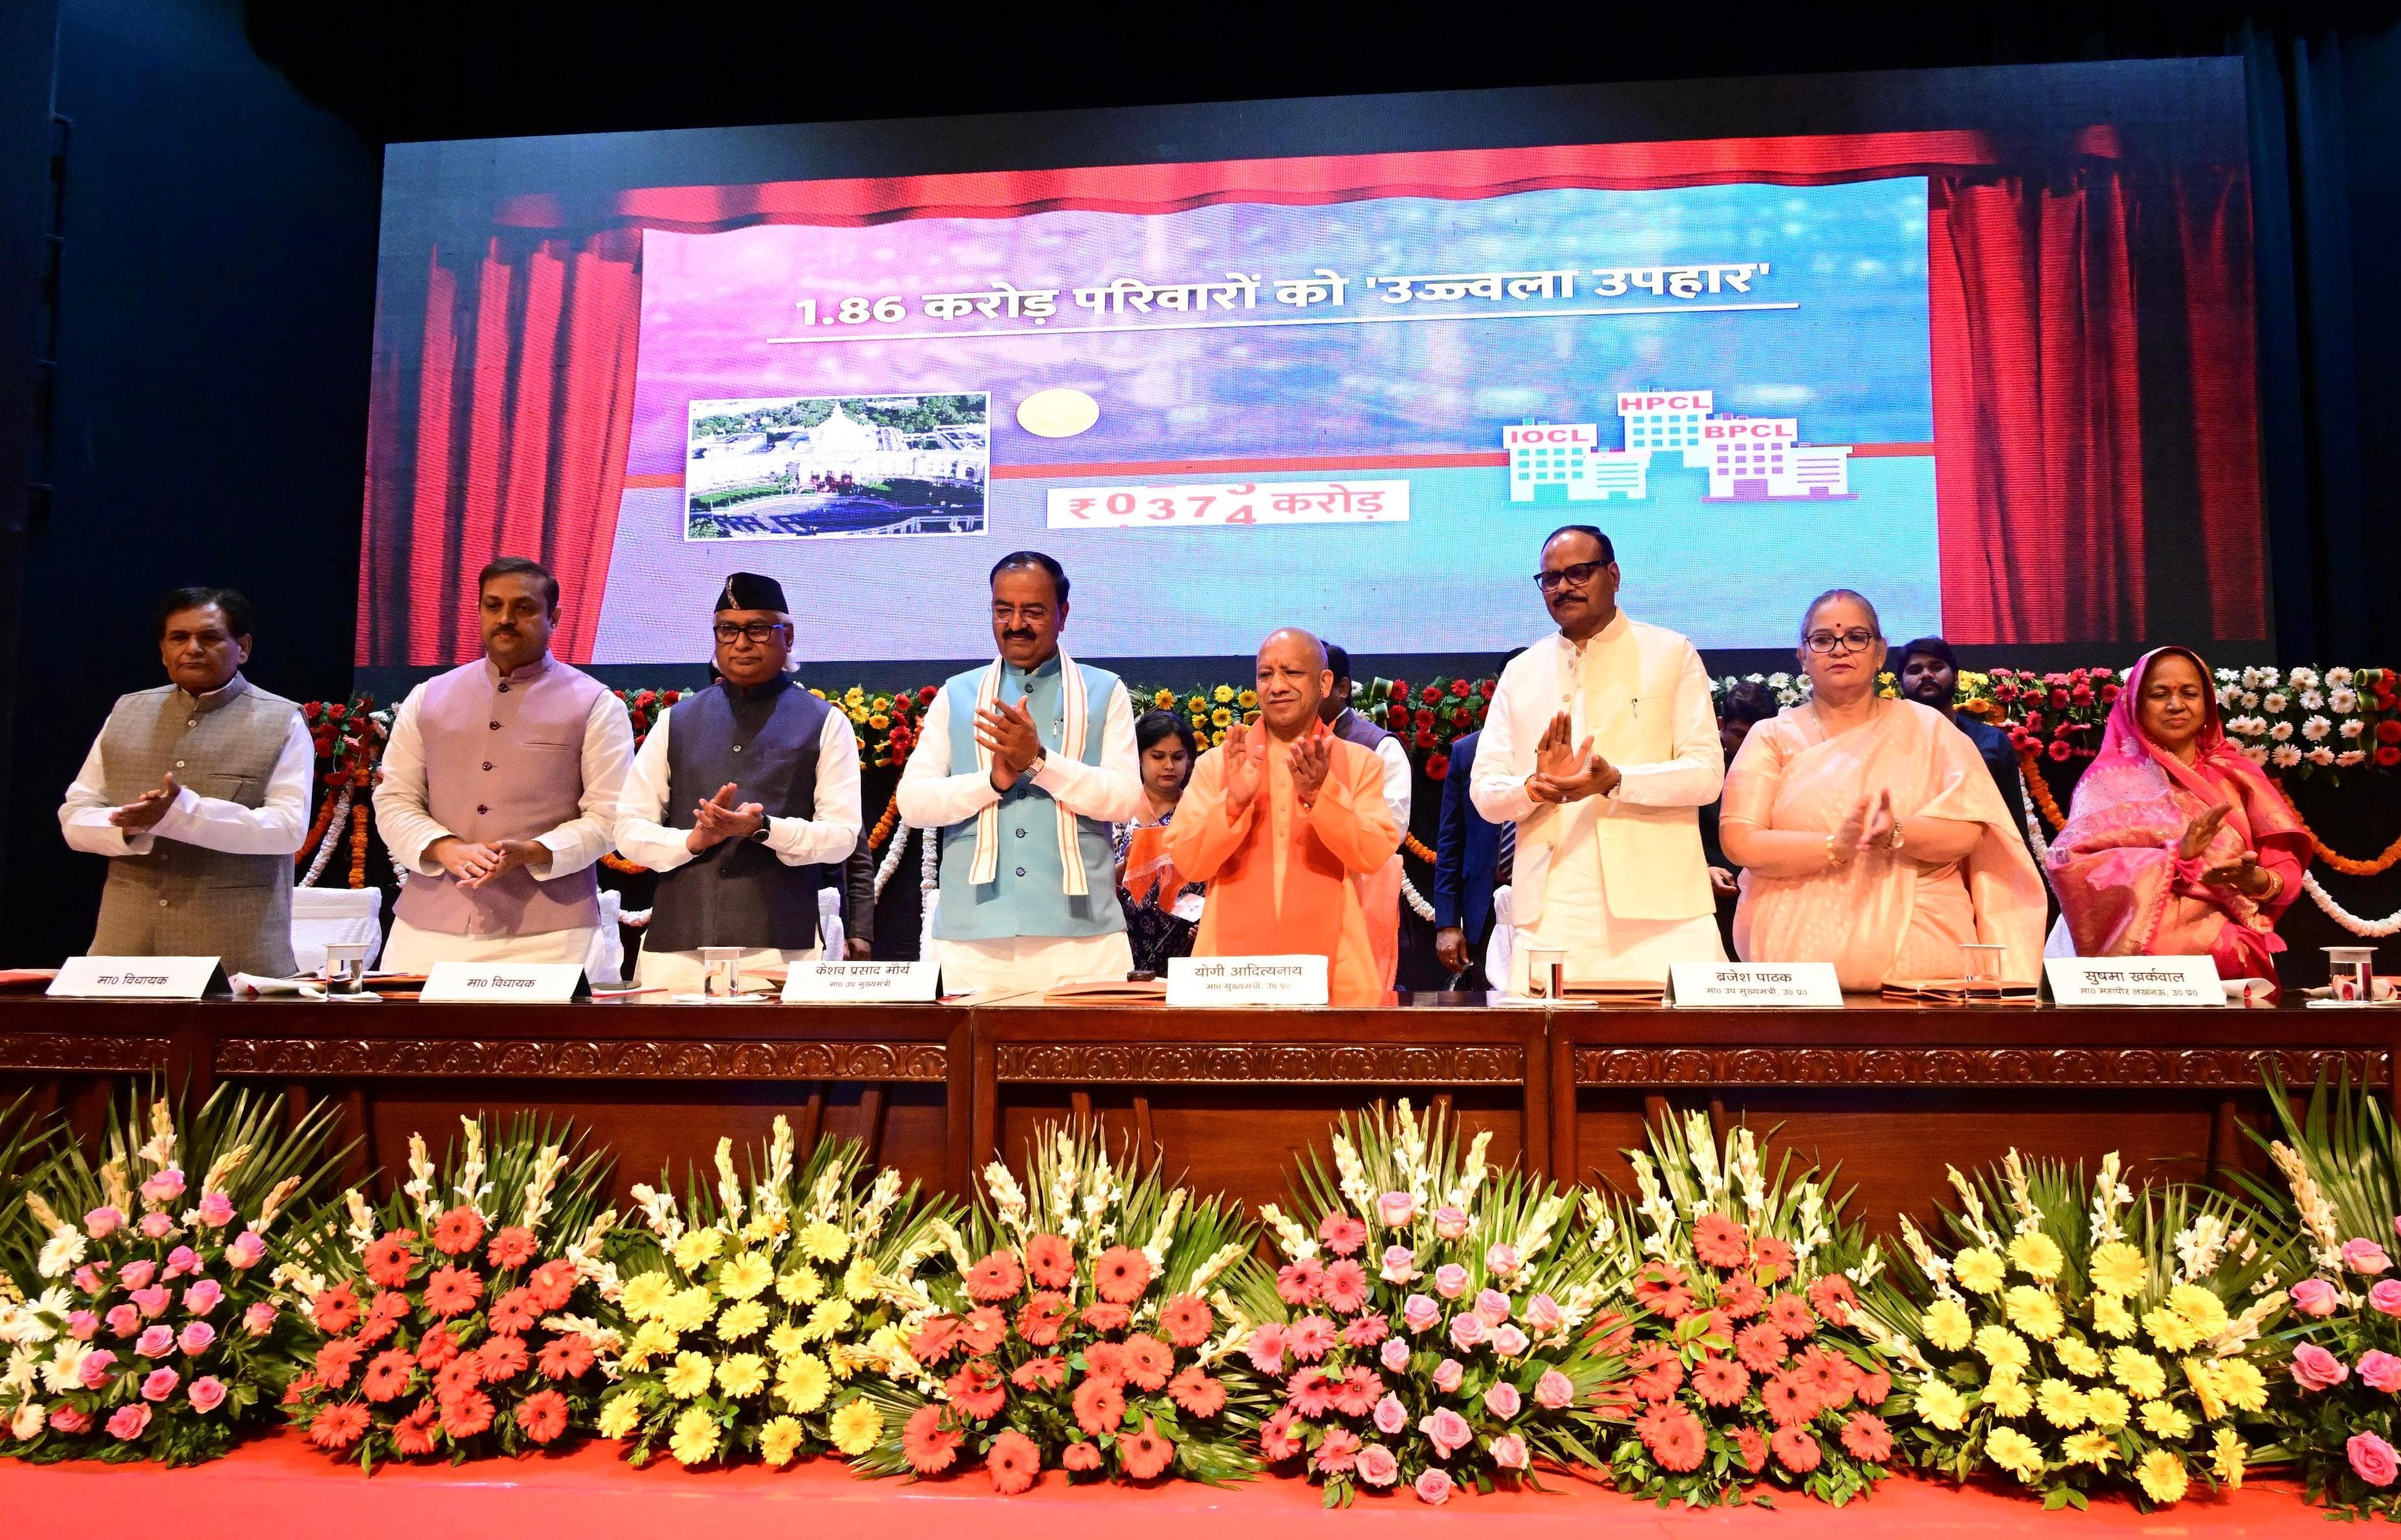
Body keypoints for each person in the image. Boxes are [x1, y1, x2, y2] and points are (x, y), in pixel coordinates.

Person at [1719, 590, 2045, 990]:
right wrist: (1833, 847)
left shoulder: (1929, 728)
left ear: (1879, 653)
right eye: (1823, 640)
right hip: (1793, 953)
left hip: (1922, 947)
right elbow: (1740, 840)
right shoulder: (1770, 736)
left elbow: (1969, 833)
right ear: (1803, 657)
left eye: (1857, 637)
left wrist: (1896, 832)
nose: (1840, 649)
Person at [1470, 526, 1726, 991]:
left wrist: (1616, 781)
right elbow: (1486, 793)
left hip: (1664, 909)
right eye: (1550, 578)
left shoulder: (1670, 653)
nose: (1563, 587)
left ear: (1614, 575)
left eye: (1578, 573)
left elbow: (1706, 775)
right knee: (1549, 1037)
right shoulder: (1522, 671)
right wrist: (1533, 788)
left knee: (1679, 1037)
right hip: (1552, 913)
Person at [896, 552, 1142, 995]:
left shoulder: (1105, 690)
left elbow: (1124, 799)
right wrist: (991, 782)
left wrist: (1039, 762)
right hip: (973, 938)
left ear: (1063, 613)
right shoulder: (957, 693)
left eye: (1033, 611)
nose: (1015, 624)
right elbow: (913, 803)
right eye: (1002, 610)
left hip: (1083, 937)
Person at [373, 557, 634, 972]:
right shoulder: (428, 697)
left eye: (524, 607)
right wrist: (444, 848)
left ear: (554, 618)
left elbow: (610, 816)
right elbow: (395, 799)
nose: (506, 619)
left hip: (550, 933)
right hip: (427, 927)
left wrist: (532, 851)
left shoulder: (596, 705)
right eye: (493, 606)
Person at [614, 572, 862, 993]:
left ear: (788, 637)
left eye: (758, 629)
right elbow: (628, 830)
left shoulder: (825, 722)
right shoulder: (676, 721)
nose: (741, 643)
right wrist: (693, 841)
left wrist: (763, 828)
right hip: (677, 945)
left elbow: (841, 838)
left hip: (778, 946)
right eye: (728, 630)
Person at [60, 587, 311, 975]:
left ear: (243, 648)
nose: (192, 648)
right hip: (125, 948)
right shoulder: (128, 710)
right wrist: (129, 826)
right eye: (179, 637)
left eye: (210, 637)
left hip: (235, 952)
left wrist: (182, 814)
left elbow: (287, 830)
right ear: (163, 650)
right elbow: (75, 815)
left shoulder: (282, 719)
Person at [1168, 629, 1403, 1006]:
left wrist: (1321, 795)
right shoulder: (1218, 764)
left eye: (1292, 673)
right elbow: (1188, 862)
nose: (1277, 686)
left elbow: (1373, 855)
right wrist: (1234, 802)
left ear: (1324, 683)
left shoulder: (1360, 764)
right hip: (1230, 979)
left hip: (1335, 972)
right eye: (1266, 674)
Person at [2045, 646, 2307, 981]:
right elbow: (2071, 866)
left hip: (2228, 955)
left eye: (2189, 693)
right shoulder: (2108, 780)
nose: (2176, 705)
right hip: (2126, 962)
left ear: (2207, 702)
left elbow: (2286, 873)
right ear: (2135, 704)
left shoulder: (2238, 775)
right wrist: (2175, 856)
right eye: (2159, 694)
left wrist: (2257, 881)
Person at [1321, 642, 1410, 989]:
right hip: (1296, 896)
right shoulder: (1271, 746)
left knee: (1357, 998)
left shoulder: (1378, 745)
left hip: (1362, 891)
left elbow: (1391, 831)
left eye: (1313, 680)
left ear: (1341, 688)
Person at [1896, 636, 2026, 832]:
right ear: (1900, 685)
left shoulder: (1991, 740)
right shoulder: (1889, 742)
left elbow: (2013, 820)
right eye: (1915, 670)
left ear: (1956, 679)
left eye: (1937, 667)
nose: (1926, 675)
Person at [1113, 710, 1205, 973]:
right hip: (1121, 939)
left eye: (1178, 757)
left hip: (1184, 944)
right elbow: (1095, 881)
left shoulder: (1200, 811)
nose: (1169, 766)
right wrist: (1128, 865)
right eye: (1158, 756)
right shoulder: (1118, 810)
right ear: (1139, 758)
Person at [1701, 680, 1780, 957]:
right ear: (1721, 724)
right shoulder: (1700, 770)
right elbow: (1676, 829)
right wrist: (1703, 869)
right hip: (1711, 902)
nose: (1749, 744)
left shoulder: (1785, 770)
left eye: (1757, 735)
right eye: (1739, 734)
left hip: (1769, 897)